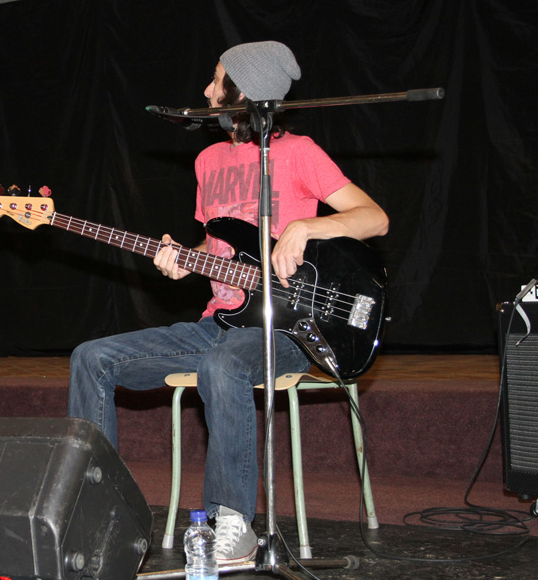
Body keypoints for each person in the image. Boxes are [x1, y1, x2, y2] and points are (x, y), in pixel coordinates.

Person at [67, 41, 389, 564]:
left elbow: (375, 218)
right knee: (92, 357)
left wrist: (304, 228)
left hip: (289, 330)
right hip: (219, 323)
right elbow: (216, 246)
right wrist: (181, 258)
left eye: (217, 80)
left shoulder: (300, 152)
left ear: (245, 93)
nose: (206, 91)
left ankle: (232, 524)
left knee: (223, 364)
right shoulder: (207, 159)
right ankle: (98, 509)